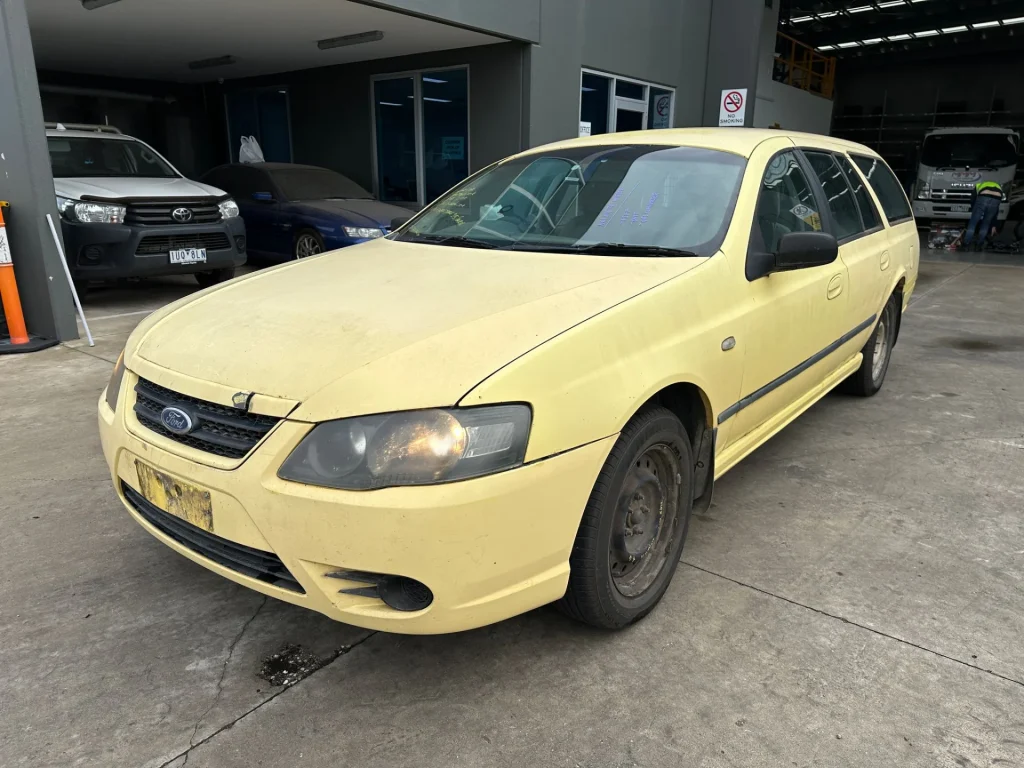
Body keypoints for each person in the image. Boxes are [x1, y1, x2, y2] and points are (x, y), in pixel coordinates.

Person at [962, 180, 1003, 251]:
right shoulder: (998, 186)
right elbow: (996, 209)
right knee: (986, 223)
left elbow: (972, 200)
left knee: (973, 223)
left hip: (984, 195)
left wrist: (974, 211)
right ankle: (979, 245)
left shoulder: (978, 185)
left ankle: (966, 244)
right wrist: (994, 224)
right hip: (997, 197)